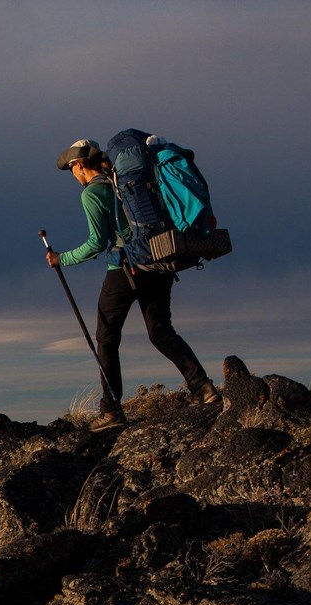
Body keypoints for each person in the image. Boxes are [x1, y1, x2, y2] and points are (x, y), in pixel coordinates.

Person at [48, 139, 219, 432]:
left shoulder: (93, 193)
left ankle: (111, 409)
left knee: (107, 337)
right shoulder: (123, 182)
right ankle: (203, 388)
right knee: (161, 331)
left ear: (78, 165)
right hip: (158, 260)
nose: (73, 174)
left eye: (72, 168)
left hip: (124, 270)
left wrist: (61, 259)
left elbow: (97, 243)